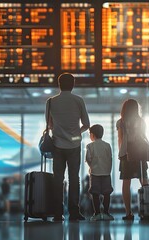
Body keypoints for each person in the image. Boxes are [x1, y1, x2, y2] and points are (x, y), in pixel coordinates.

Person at [47, 73, 90, 221]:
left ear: (59, 85)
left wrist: (59, 131)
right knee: (74, 179)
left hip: (57, 144)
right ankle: (74, 212)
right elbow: (87, 124)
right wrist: (76, 134)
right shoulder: (78, 100)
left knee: (58, 180)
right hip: (74, 144)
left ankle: (58, 213)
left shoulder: (51, 102)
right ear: (73, 85)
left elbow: (49, 124)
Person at [116, 99, 149, 220]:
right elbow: (143, 137)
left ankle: (128, 213)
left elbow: (120, 139)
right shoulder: (141, 121)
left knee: (126, 183)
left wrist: (121, 152)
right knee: (144, 181)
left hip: (126, 154)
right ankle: (148, 209)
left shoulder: (121, 122)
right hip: (140, 153)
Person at [85, 124, 114, 221]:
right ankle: (106, 213)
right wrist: (107, 169)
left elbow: (88, 158)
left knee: (95, 193)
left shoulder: (89, 146)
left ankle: (97, 213)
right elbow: (110, 159)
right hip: (106, 173)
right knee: (107, 193)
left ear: (92, 135)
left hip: (95, 173)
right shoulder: (107, 145)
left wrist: (91, 166)